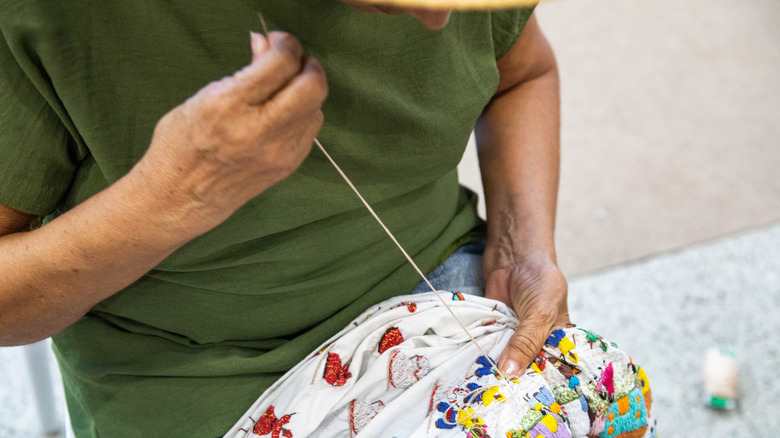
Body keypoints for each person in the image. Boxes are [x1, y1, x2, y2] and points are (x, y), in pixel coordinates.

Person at [0, 1, 568, 436]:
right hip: (196, 368)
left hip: (435, 280)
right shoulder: (62, 19)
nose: (440, 17)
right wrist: (171, 197)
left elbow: (523, 73)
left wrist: (524, 246)